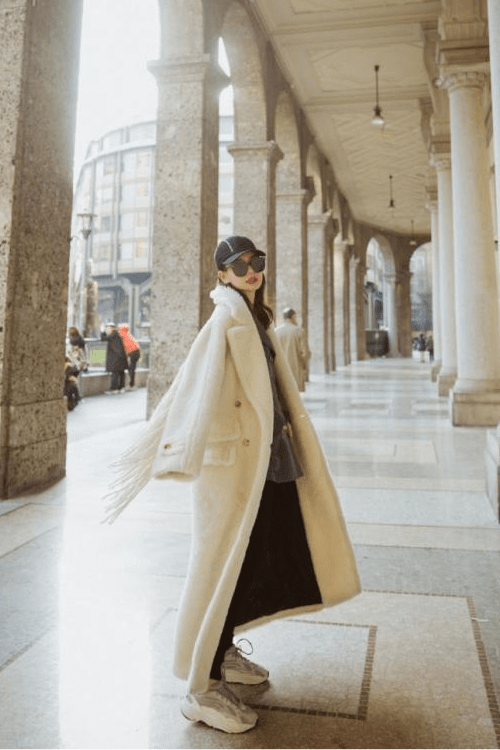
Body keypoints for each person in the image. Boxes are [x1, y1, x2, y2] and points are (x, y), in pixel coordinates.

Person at [106, 235, 361, 734]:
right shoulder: (226, 319)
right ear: (221, 273)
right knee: (223, 565)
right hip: (237, 465)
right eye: (239, 264)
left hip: (270, 460)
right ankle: (199, 689)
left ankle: (221, 656)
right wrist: (182, 452)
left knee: (261, 556)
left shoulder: (254, 318)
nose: (251, 270)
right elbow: (193, 388)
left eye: (257, 262)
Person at [274, 307, 310, 391]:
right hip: (295, 369)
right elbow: (305, 353)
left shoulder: (276, 331)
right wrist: (304, 365)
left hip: (280, 369)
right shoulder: (299, 331)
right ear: (293, 316)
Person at [101, 322, 128, 393]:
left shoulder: (112, 335)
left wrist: (102, 331)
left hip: (115, 358)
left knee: (115, 373)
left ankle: (114, 389)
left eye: (107, 328)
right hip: (121, 357)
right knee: (121, 372)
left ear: (111, 328)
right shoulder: (117, 335)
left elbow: (103, 339)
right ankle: (121, 388)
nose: (107, 330)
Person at [118, 323, 141, 388]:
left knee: (131, 369)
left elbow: (124, 346)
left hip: (133, 353)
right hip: (136, 352)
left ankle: (132, 384)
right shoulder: (128, 333)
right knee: (131, 368)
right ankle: (132, 384)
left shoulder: (123, 334)